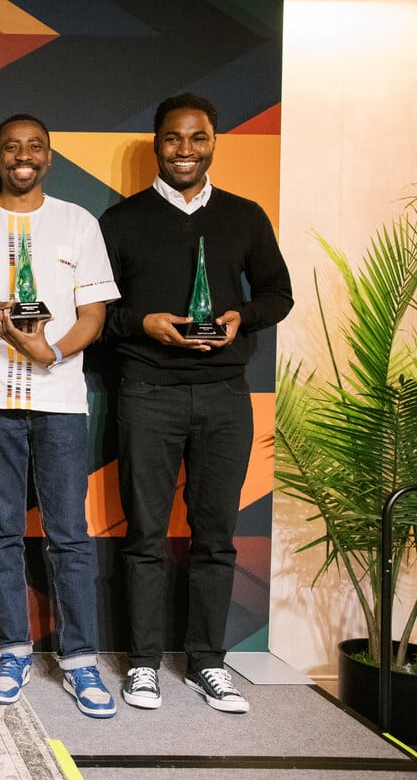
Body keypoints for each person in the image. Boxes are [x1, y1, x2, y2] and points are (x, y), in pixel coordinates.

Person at [100, 93, 292, 713]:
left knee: (216, 537)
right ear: (156, 143)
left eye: (198, 138)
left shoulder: (245, 216)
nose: (185, 150)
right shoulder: (121, 220)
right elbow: (97, 316)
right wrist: (143, 324)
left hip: (224, 397)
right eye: (174, 139)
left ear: (214, 141)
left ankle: (209, 661)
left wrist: (242, 317)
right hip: (146, 394)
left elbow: (278, 294)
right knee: (146, 537)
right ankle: (145, 665)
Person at [0, 115, 121, 719]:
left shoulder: (78, 222)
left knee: (69, 531)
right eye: (11, 148)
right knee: (2, 530)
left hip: (59, 397)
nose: (24, 156)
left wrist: (52, 350)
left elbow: (93, 314)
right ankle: (13, 648)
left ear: (50, 156)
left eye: (35, 147)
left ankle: (78, 658)